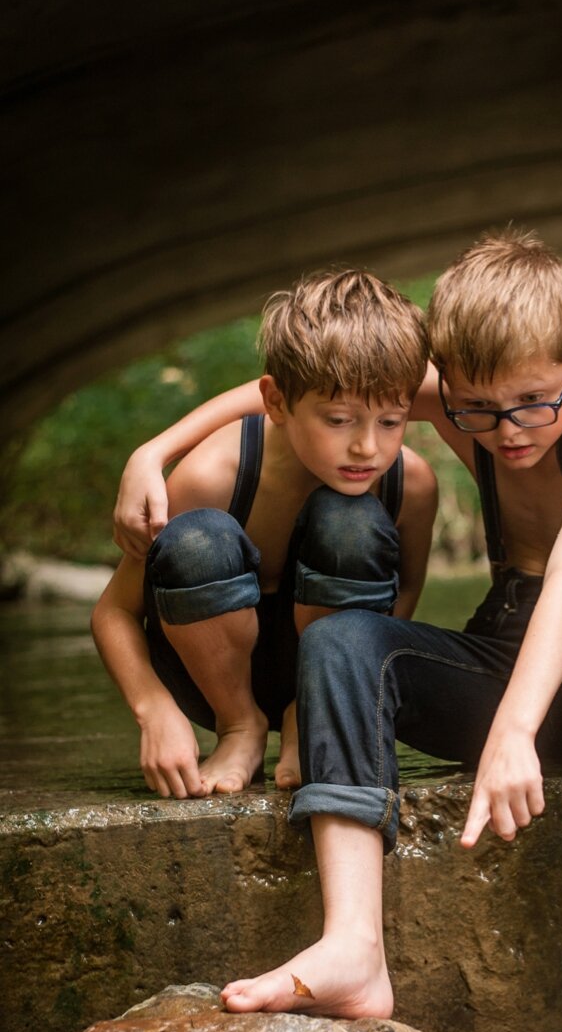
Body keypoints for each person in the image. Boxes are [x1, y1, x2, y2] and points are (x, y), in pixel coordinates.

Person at [115, 230, 562, 1021]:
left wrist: (514, 732)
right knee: (340, 639)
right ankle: (354, 946)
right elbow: (288, 390)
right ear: (451, 385)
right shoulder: (481, 404)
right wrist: (153, 452)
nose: (509, 431)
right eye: (477, 409)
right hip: (507, 653)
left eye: (533, 401)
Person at [92, 269, 436, 801]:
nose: (368, 448)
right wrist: (152, 708)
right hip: (213, 673)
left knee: (352, 521)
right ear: (276, 402)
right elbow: (113, 612)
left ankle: (310, 716)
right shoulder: (213, 474)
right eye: (339, 419)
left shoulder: (409, 486)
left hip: (331, 665)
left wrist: (345, 687)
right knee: (198, 537)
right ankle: (240, 728)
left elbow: (404, 592)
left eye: (391, 422)